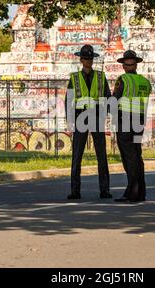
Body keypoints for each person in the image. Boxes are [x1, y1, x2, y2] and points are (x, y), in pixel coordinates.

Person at [65, 45, 112, 200]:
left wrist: (105, 116)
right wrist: (70, 121)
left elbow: (107, 96)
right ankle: (75, 190)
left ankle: (104, 190)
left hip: (97, 116)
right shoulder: (74, 77)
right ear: (81, 60)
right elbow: (69, 100)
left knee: (101, 155)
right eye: (86, 58)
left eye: (91, 58)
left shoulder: (100, 76)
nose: (89, 61)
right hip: (80, 117)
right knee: (77, 156)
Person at [113, 50, 152, 203]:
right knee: (136, 154)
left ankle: (132, 192)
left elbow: (115, 100)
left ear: (123, 65)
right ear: (136, 64)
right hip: (139, 121)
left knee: (129, 157)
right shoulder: (144, 81)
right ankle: (141, 192)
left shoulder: (122, 80)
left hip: (125, 120)